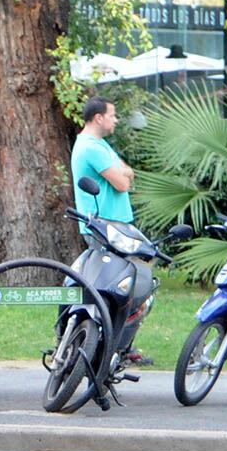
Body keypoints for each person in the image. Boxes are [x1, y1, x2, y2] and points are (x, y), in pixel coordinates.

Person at [71, 96, 147, 365]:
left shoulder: (100, 145)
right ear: (98, 117)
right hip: (106, 229)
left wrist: (123, 173)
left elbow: (128, 172)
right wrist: (122, 174)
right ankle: (108, 346)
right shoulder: (91, 148)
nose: (115, 120)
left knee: (129, 285)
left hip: (117, 228)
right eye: (112, 115)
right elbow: (123, 182)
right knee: (119, 286)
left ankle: (119, 344)